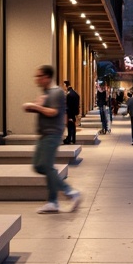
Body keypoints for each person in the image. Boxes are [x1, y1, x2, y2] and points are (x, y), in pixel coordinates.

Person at [26, 65, 81, 214]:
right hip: (44, 135)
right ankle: (56, 200)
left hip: (52, 134)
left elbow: (53, 112)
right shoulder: (46, 92)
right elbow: (43, 108)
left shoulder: (57, 92)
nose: (36, 80)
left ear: (46, 77)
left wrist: (36, 107)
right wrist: (34, 106)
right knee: (40, 166)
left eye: (39, 76)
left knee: (46, 166)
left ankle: (65, 194)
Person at [63, 80, 80, 144]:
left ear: (65, 85)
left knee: (70, 126)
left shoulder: (69, 94)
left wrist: (69, 116)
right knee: (73, 126)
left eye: (63, 85)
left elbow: (68, 106)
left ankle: (70, 138)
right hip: (74, 112)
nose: (63, 87)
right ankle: (72, 139)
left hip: (70, 113)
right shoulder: (75, 93)